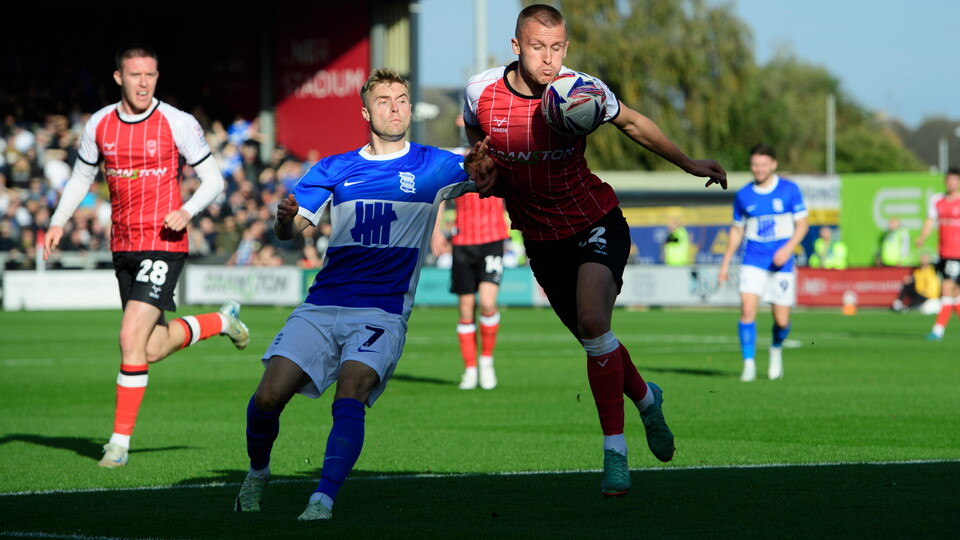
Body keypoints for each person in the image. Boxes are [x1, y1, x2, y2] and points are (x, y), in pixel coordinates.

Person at [462, 4, 727, 497]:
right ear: (516, 47)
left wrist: (688, 162)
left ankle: (615, 455)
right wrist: (481, 165)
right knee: (596, 338)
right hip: (540, 240)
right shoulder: (481, 91)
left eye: (558, 47)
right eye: (538, 47)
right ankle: (648, 400)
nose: (549, 58)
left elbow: (631, 124)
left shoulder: (580, 91)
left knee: (592, 321)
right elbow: (476, 139)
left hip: (595, 221)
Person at [234, 68, 495, 521]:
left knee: (350, 392)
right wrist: (283, 219)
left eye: (401, 99)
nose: (394, 107)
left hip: (382, 310)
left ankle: (323, 500)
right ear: (365, 111)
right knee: (267, 399)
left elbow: (487, 172)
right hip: (322, 305)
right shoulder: (333, 168)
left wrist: (488, 166)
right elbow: (289, 231)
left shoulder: (435, 165)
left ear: (410, 108)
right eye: (384, 101)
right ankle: (257, 473)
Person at [43, 44, 249, 468]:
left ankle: (118, 445)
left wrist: (187, 210)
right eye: (135, 75)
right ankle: (221, 322)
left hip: (164, 242)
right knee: (150, 346)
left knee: (128, 338)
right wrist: (59, 220)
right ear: (118, 77)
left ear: (157, 77)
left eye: (150, 75)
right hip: (123, 246)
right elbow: (82, 176)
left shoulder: (177, 122)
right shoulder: (99, 123)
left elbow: (213, 180)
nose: (143, 83)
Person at [718, 144, 809, 382]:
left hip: (782, 263)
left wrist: (788, 248)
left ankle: (776, 349)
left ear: (773, 165)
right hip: (753, 260)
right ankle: (748, 364)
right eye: (755, 165)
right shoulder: (744, 195)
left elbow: (803, 225)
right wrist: (725, 263)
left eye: (763, 164)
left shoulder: (789, 190)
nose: (758, 169)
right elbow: (737, 231)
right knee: (747, 309)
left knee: (782, 321)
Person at [431, 190, 510, 390]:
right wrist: (436, 229)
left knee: (487, 303)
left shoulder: (499, 159)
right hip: (462, 242)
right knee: (466, 309)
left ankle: (486, 361)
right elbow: (441, 193)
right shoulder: (456, 160)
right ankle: (470, 369)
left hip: (493, 239)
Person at [916, 167, 960, 341]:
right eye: (949, 179)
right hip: (943, 252)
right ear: (945, 181)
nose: (951, 182)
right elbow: (930, 220)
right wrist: (922, 237)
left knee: (947, 289)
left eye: (955, 179)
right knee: (955, 293)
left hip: (957, 253)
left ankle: (938, 329)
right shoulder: (937, 200)